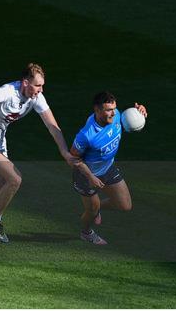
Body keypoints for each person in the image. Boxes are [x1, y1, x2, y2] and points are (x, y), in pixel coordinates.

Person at [0, 63, 76, 243]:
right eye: (37, 85)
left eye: (42, 85)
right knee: (15, 178)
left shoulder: (37, 97)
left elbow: (52, 126)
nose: (41, 90)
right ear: (25, 82)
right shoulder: (7, 92)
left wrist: (64, 152)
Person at [70, 91, 147, 244]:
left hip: (107, 168)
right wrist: (91, 177)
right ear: (97, 110)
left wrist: (139, 112)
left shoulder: (118, 115)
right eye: (108, 110)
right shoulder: (87, 135)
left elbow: (128, 121)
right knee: (91, 210)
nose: (113, 113)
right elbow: (73, 159)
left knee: (125, 205)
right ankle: (86, 232)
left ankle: (95, 209)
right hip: (86, 176)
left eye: (114, 108)